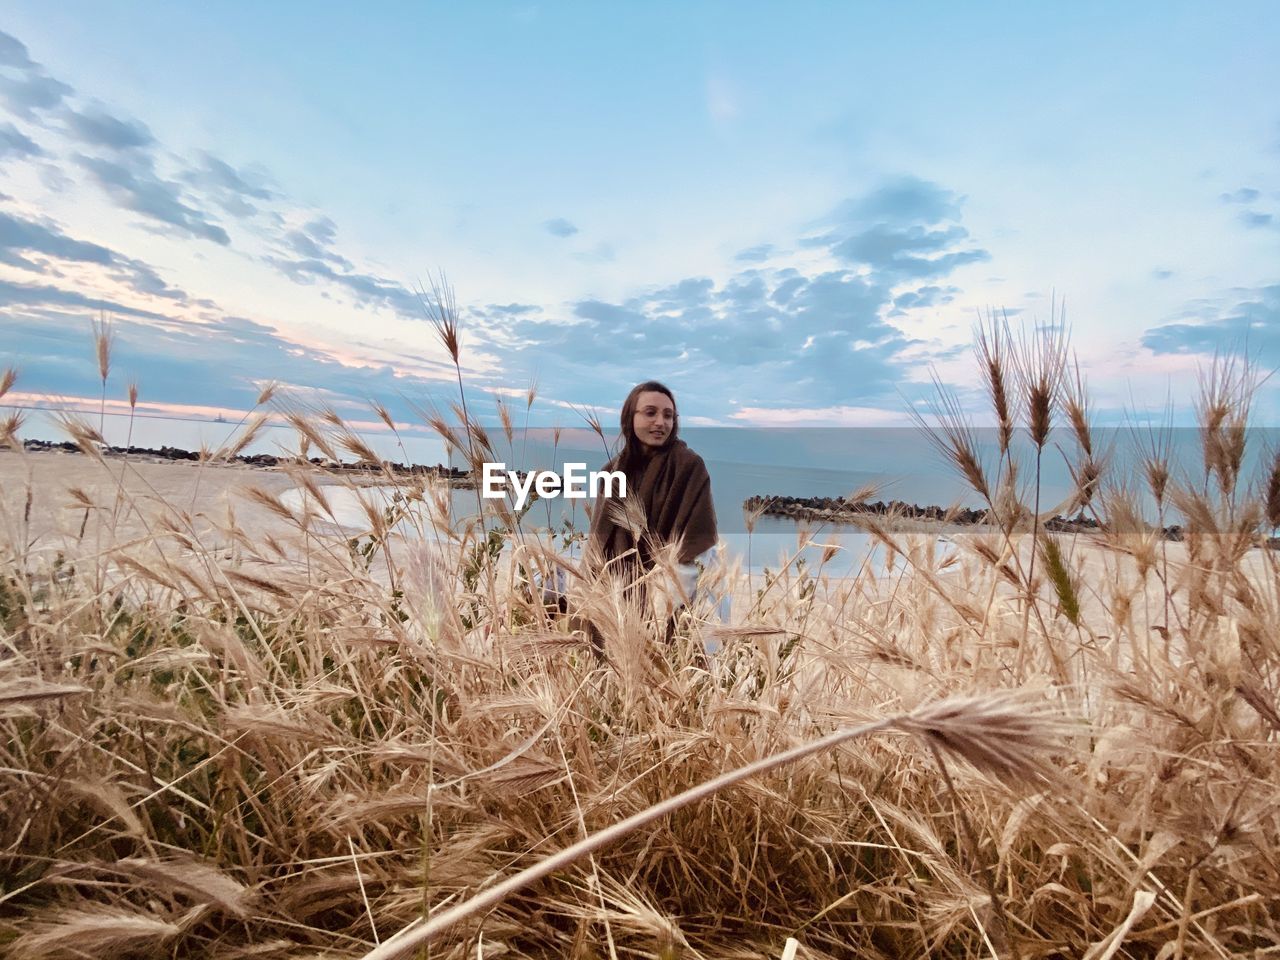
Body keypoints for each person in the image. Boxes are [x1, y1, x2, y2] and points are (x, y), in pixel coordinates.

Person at [587, 381, 718, 599]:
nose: (661, 422)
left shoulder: (688, 465)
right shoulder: (611, 472)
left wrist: (661, 578)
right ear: (630, 417)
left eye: (668, 416)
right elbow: (598, 541)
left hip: (672, 586)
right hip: (618, 589)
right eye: (650, 413)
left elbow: (697, 537)